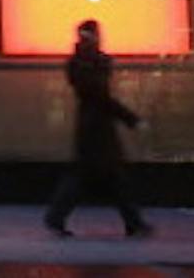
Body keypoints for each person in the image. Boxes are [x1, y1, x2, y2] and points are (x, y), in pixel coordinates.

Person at [43, 20, 151, 239]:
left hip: (92, 126)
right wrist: (131, 119)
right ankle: (133, 222)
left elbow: (96, 93)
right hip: (97, 129)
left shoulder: (80, 63)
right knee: (109, 177)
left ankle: (57, 217)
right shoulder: (88, 63)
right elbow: (100, 96)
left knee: (95, 176)